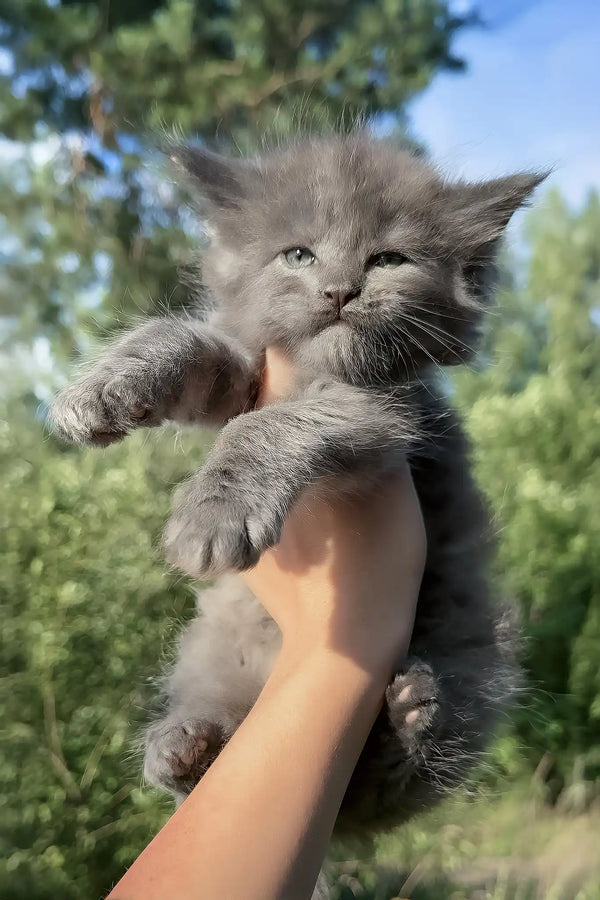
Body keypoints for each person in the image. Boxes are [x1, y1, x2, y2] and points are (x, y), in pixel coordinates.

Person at [107, 348, 427, 900]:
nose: (339, 298)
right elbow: (226, 366)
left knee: (434, 688)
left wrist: (249, 456)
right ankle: (209, 747)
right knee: (218, 654)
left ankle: (380, 750)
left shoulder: (387, 367)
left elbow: (363, 417)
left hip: (405, 665)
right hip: (294, 647)